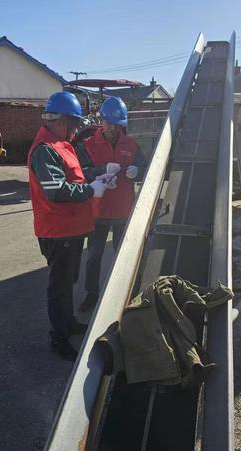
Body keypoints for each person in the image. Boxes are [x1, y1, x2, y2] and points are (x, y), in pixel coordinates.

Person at [28, 91, 116, 361]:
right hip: (58, 231)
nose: (77, 129)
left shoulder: (60, 144)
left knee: (68, 282)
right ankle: (59, 336)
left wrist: (99, 176)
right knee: (60, 286)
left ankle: (68, 323)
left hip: (70, 229)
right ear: (63, 120)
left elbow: (75, 176)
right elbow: (56, 190)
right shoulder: (45, 149)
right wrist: (90, 190)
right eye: (75, 123)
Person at [76, 96, 147, 312]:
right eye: (109, 123)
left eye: (117, 125)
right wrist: (101, 171)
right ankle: (92, 294)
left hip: (123, 211)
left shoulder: (131, 145)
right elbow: (81, 173)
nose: (113, 129)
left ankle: (126, 294)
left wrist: (138, 171)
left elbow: (145, 168)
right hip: (98, 211)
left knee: (123, 255)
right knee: (94, 256)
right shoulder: (88, 145)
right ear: (102, 121)